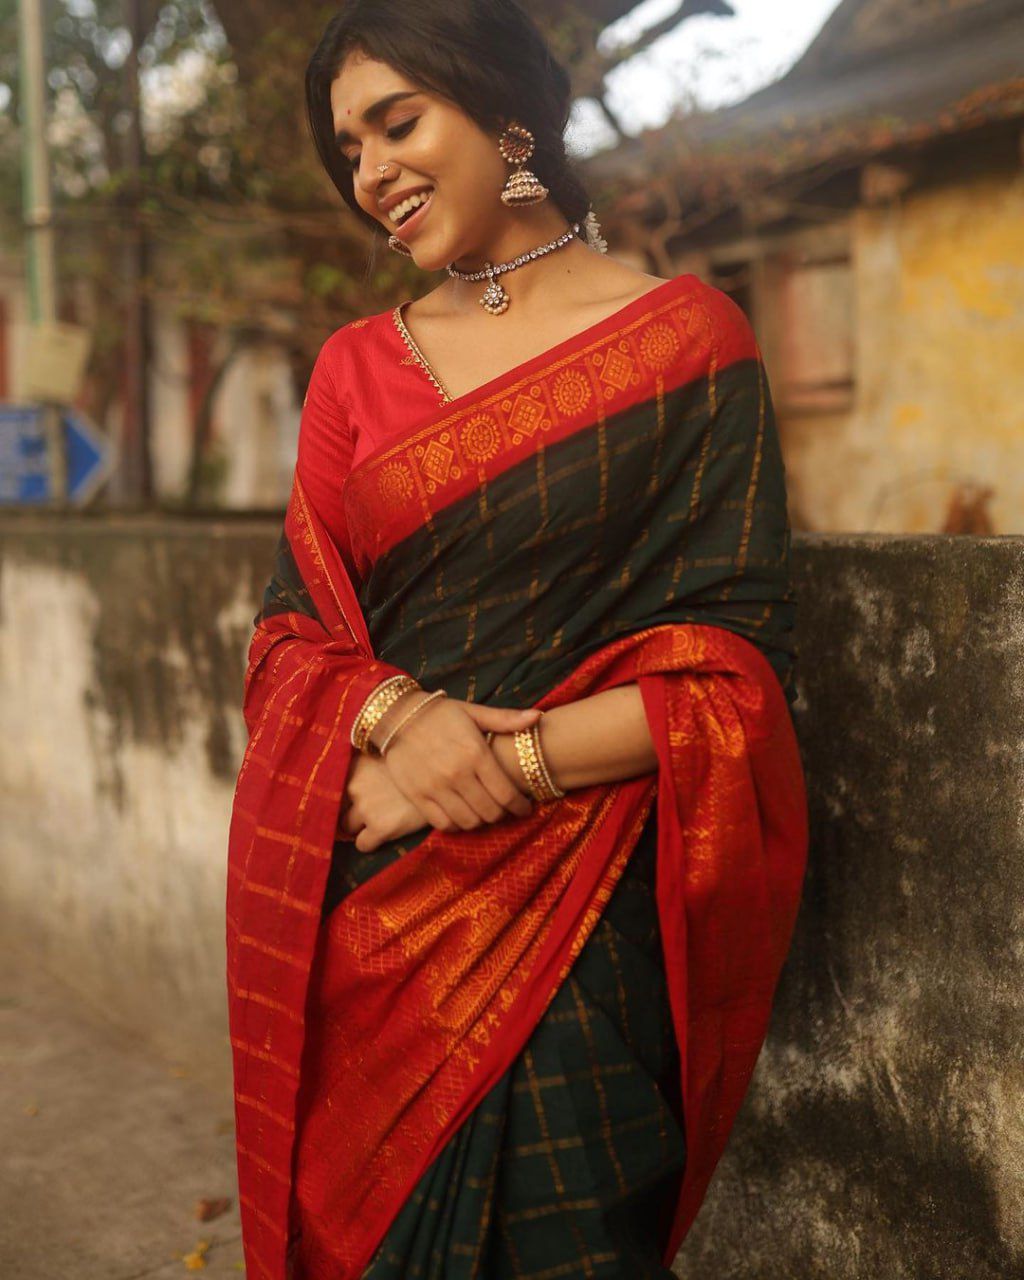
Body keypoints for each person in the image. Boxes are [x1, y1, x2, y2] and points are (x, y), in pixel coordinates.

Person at [225, 2, 809, 1277]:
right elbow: (285, 636)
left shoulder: (686, 347)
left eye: (397, 121)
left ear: (509, 119)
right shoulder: (353, 370)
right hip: (372, 907)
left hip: (582, 917)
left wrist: (507, 763)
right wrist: (398, 721)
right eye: (350, 148)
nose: (370, 169)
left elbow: (734, 671)